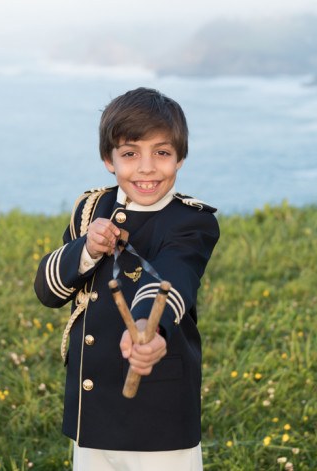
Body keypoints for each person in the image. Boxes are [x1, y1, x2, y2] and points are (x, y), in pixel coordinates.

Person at [34, 87, 219, 470]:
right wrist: (87, 249)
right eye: (130, 153)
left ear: (180, 158)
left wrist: (146, 327)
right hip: (93, 408)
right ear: (108, 159)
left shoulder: (192, 221)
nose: (147, 167)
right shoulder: (90, 209)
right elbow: (48, 290)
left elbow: (174, 276)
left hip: (159, 414)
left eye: (162, 153)